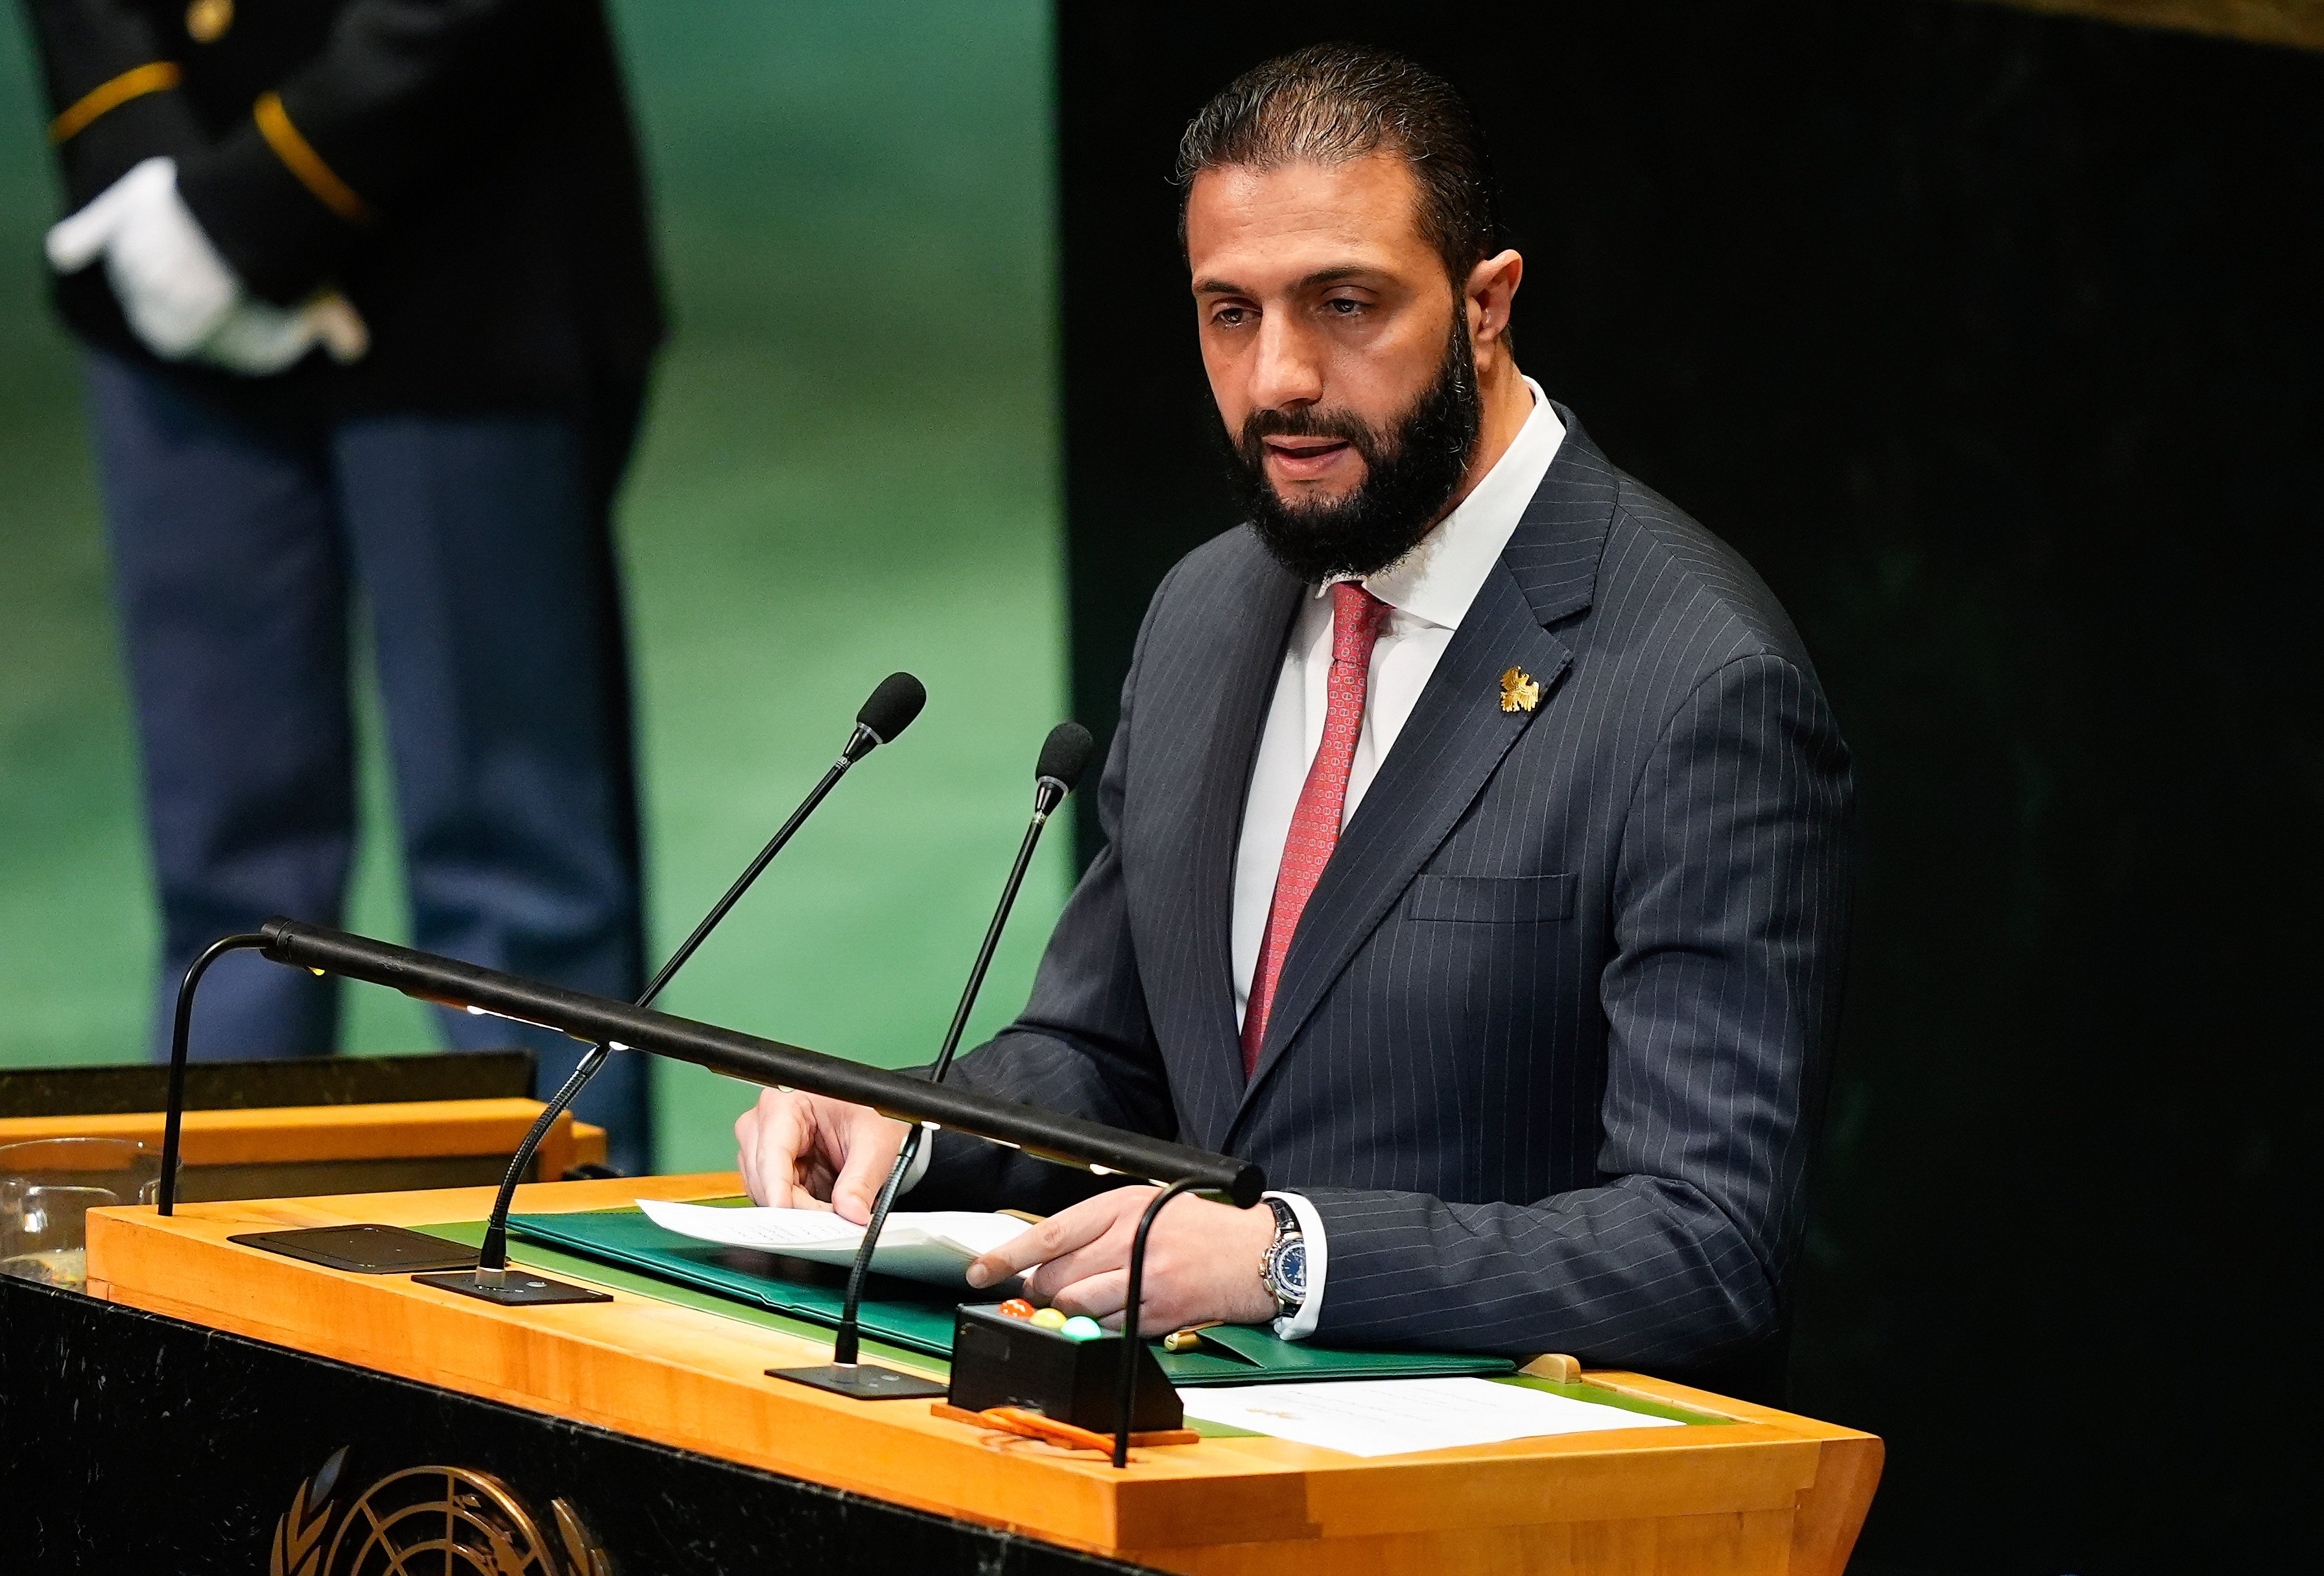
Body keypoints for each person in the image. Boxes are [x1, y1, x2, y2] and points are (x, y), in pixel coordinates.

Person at [737, 43, 1853, 1380]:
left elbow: (1704, 1243)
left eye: (1345, 304)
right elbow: (1111, 1051)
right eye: (1230, 313)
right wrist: (911, 1130)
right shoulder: (1209, 610)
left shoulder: (1696, 682)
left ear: (1487, 304)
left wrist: (1288, 1257)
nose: (1278, 379)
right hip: (1166, 1458)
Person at [23, 0, 663, 1168]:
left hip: (465, 244)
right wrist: (144, 173)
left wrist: (243, 211)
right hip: (164, 267)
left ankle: (551, 1293)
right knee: (227, 888)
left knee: (512, 886)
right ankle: (210, 1297)